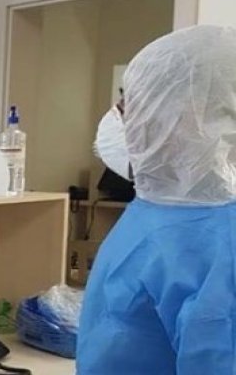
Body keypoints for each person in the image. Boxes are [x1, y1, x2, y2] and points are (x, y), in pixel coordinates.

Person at [78, 25, 236, 374]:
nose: (120, 117)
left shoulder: (223, 246)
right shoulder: (153, 207)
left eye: (131, 103)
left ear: (188, 116)